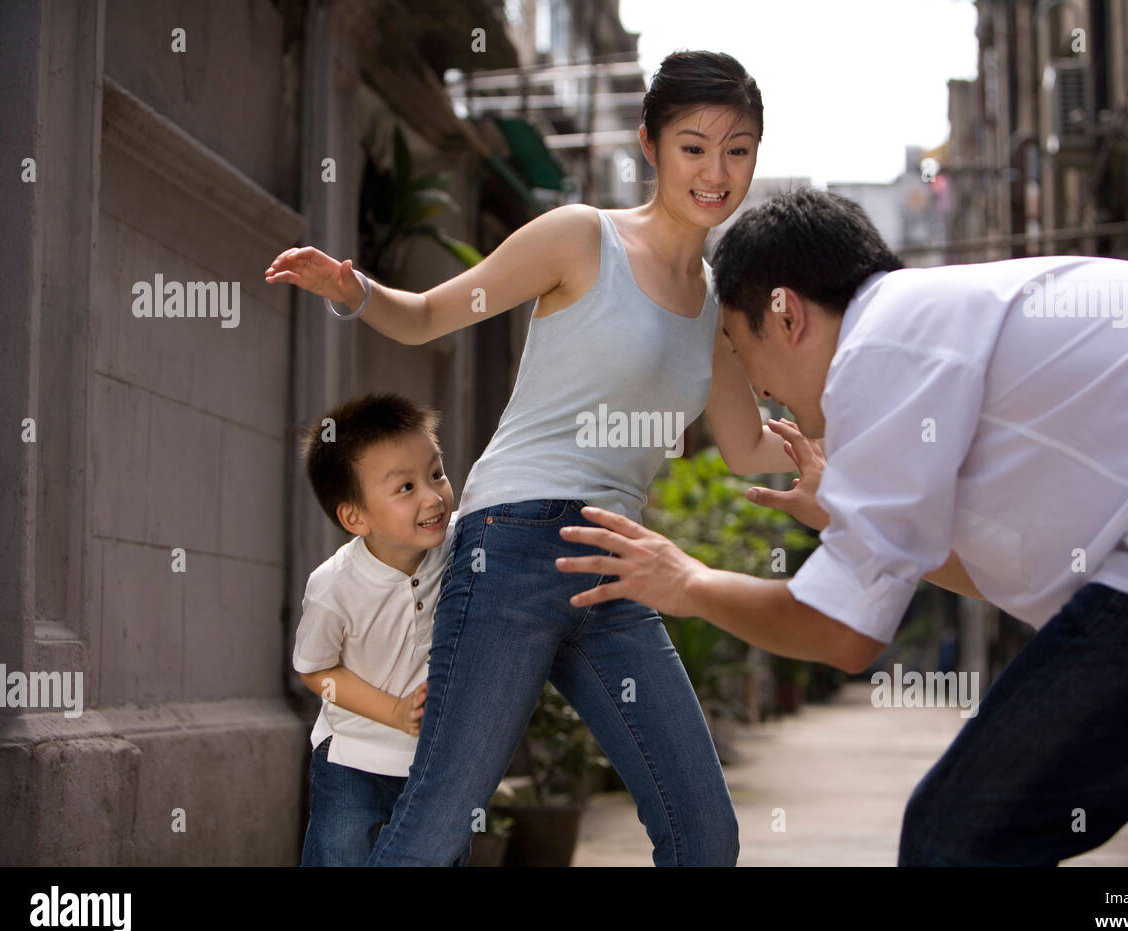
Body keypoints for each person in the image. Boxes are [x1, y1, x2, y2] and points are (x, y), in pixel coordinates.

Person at [556, 187, 1128, 866]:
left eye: (745, 356)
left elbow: (842, 634)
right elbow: (981, 571)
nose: (759, 387)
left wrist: (688, 582)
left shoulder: (882, 347)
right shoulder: (927, 329)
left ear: (785, 313)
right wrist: (850, 518)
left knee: (954, 834)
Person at [266, 51, 797, 866]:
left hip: (618, 564)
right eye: (694, 146)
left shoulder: (716, 306)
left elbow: (749, 443)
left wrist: (846, 447)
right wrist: (357, 292)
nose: (716, 171)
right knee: (437, 824)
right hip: (512, 543)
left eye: (739, 148)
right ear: (651, 147)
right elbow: (431, 315)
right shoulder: (581, 239)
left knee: (704, 834)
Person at [294, 393, 457, 866]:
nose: (432, 497)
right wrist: (394, 711)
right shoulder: (334, 587)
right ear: (355, 517)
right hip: (353, 757)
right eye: (405, 488)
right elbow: (315, 672)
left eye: (436, 473)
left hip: (431, 763)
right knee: (340, 856)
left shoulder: (460, 547)